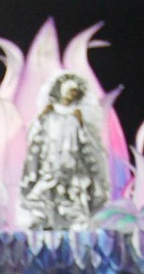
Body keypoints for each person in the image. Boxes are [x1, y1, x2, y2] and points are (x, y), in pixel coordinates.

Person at [18, 71, 110, 229]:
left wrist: (81, 123)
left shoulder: (77, 115)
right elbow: (33, 136)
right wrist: (41, 117)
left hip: (72, 164)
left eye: (74, 92)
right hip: (50, 164)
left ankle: (76, 221)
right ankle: (44, 219)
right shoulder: (48, 114)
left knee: (73, 193)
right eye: (68, 91)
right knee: (45, 192)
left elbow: (86, 140)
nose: (70, 95)